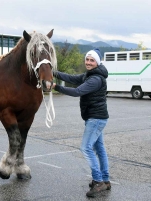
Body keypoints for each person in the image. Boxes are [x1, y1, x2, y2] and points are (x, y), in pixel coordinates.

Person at [52, 49, 110, 197]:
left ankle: (98, 181)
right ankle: (105, 180)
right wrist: (54, 72)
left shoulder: (95, 79)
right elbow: (71, 78)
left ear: (97, 62)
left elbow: (77, 91)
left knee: (85, 147)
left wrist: (55, 87)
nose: (88, 62)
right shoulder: (89, 75)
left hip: (95, 119)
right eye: (87, 59)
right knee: (99, 148)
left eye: (92, 60)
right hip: (97, 117)